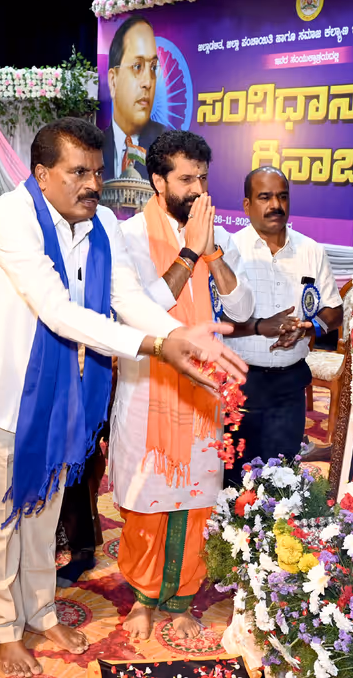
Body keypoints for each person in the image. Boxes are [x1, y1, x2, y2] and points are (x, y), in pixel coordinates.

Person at [0, 117, 247, 677]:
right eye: (78, 173)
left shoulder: (101, 223)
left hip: (57, 394)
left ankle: (40, 612)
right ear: (42, 174)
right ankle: (4, 629)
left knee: (42, 516)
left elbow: (127, 298)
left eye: (96, 171)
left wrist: (177, 336)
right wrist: (157, 346)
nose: (93, 184)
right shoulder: (11, 218)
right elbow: (58, 311)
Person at [110, 130, 254, 639]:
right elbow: (140, 311)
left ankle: (182, 600)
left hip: (203, 394)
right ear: (158, 181)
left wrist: (212, 254)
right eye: (187, 179)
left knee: (196, 501)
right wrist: (189, 253)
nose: (198, 189)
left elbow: (243, 308)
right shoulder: (127, 237)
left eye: (203, 178)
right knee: (147, 500)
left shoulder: (215, 235)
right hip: (148, 389)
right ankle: (142, 599)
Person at [223, 166, 344, 485]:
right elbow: (216, 319)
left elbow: (334, 310)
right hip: (239, 384)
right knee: (234, 481)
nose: (275, 205)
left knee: (281, 481)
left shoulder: (311, 250)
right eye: (265, 197)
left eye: (282, 196)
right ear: (247, 205)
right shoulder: (229, 250)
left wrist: (309, 328)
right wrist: (262, 326)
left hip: (290, 385)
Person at [102, 15, 168, 181]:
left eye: (153, 67)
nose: (148, 82)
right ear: (113, 81)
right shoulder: (94, 147)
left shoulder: (168, 147)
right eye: (137, 66)